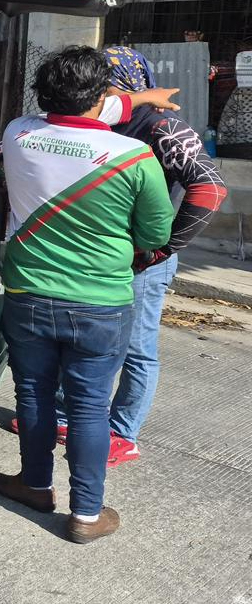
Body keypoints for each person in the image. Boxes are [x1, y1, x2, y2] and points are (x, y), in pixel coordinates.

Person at [0, 46, 174, 544]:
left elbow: (81, 116)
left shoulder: (18, 134)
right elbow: (156, 234)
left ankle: (35, 485)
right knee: (90, 407)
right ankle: (86, 516)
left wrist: (135, 98)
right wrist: (140, 99)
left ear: (41, 93)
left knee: (33, 393)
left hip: (27, 293)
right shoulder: (134, 157)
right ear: (104, 95)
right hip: (101, 303)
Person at [57, 47, 227, 464]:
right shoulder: (97, 121)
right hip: (98, 254)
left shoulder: (160, 125)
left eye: (105, 86)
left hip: (141, 261)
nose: (99, 94)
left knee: (135, 348)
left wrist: (163, 249)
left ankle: (122, 432)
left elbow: (210, 187)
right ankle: (64, 417)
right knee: (79, 337)